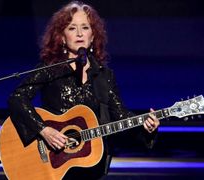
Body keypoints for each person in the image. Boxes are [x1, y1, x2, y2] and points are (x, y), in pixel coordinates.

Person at [8, 1, 160, 179]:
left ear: (93, 36)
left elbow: (120, 115)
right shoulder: (50, 69)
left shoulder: (104, 75)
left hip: (90, 165)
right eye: (72, 28)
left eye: (85, 27)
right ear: (62, 37)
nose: (79, 33)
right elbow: (17, 98)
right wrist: (44, 130)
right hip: (54, 164)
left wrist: (146, 127)